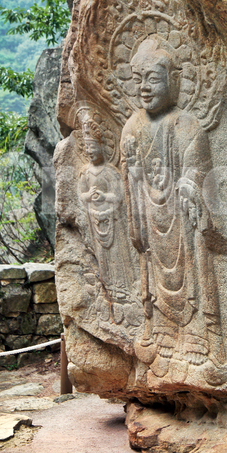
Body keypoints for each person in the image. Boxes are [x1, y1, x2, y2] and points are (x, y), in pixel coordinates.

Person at [120, 36, 225, 379]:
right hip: (150, 219)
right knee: (154, 271)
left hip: (183, 222)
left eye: (153, 79)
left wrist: (190, 185)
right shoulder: (132, 128)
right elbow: (129, 180)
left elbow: (199, 171)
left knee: (194, 271)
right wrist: (134, 174)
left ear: (174, 81)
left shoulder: (187, 124)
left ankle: (200, 337)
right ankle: (161, 333)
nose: (144, 88)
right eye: (138, 80)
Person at [77, 114, 137, 326]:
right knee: (102, 259)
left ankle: (124, 292)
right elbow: (81, 195)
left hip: (113, 222)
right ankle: (107, 290)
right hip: (95, 222)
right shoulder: (85, 174)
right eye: (87, 147)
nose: (90, 151)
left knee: (118, 258)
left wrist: (104, 196)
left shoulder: (111, 172)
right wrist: (89, 196)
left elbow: (120, 196)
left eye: (93, 146)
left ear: (103, 147)